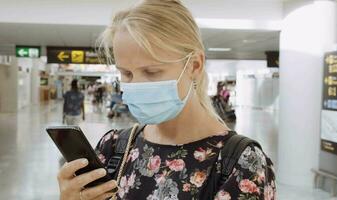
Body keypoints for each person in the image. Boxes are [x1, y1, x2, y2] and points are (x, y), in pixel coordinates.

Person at [56, 1, 276, 200]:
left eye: (152, 72)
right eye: (127, 74)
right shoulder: (114, 147)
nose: (137, 85)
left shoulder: (240, 163)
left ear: (195, 65)